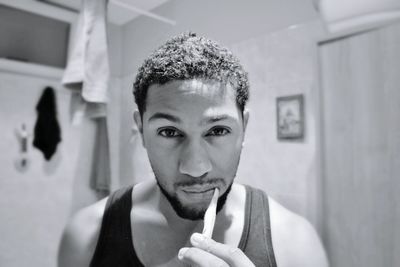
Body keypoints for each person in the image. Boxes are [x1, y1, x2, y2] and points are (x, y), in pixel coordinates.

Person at [58, 32, 328, 267]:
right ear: (140, 129)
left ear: (244, 127)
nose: (196, 167)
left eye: (218, 131)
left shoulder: (295, 244)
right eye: (169, 132)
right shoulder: (85, 237)